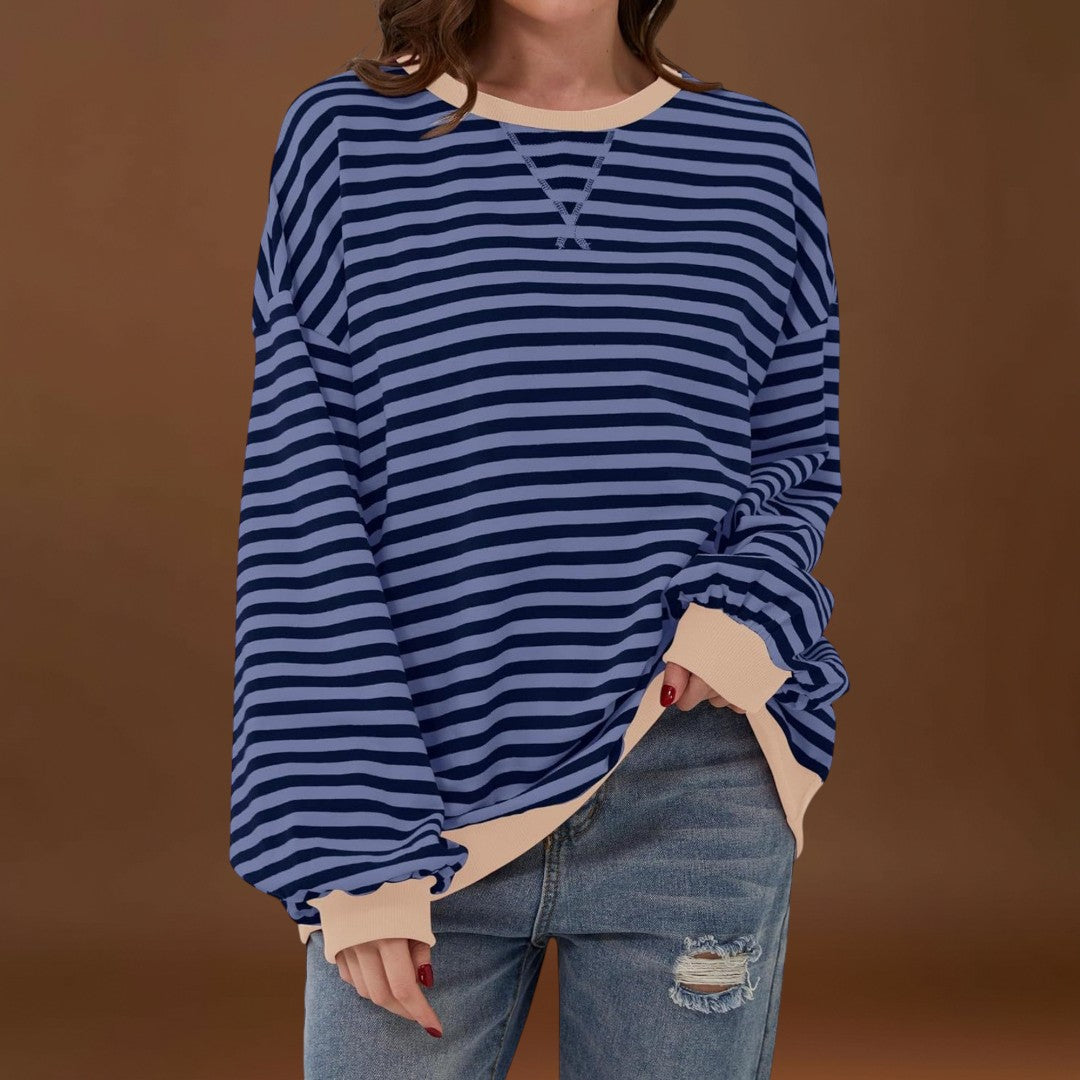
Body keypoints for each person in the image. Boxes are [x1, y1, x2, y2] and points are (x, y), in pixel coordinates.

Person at [229, 1, 849, 1076]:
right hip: (419, 793)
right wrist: (352, 841)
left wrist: (738, 620)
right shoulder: (347, 138)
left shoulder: (758, 156)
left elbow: (793, 452)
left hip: (688, 777)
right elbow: (302, 490)